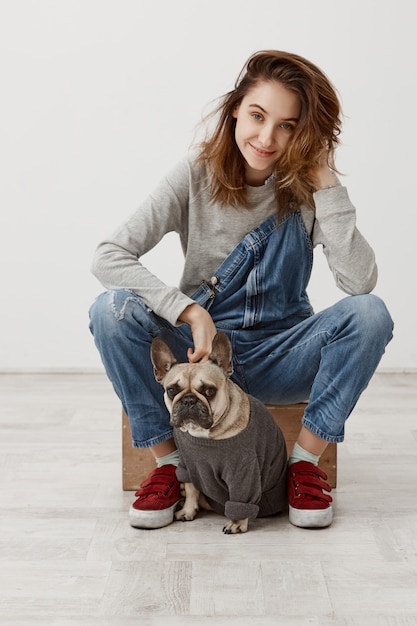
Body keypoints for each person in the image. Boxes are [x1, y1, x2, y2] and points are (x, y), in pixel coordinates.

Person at [89, 50, 393, 530]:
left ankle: (303, 467)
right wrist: (189, 311)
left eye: (288, 126)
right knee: (112, 310)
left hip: (281, 356)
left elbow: (359, 283)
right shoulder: (193, 175)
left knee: (370, 314)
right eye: (257, 116)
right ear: (235, 108)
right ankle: (171, 467)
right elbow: (109, 255)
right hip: (199, 357)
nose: (267, 138)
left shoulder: (309, 190)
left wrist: (328, 185)